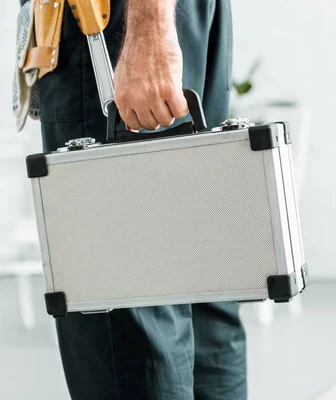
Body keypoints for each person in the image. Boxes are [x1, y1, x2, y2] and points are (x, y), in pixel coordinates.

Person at [37, 0, 245, 399]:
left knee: (124, 303)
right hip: (166, 16)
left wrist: (151, 30)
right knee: (205, 285)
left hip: (109, 20)